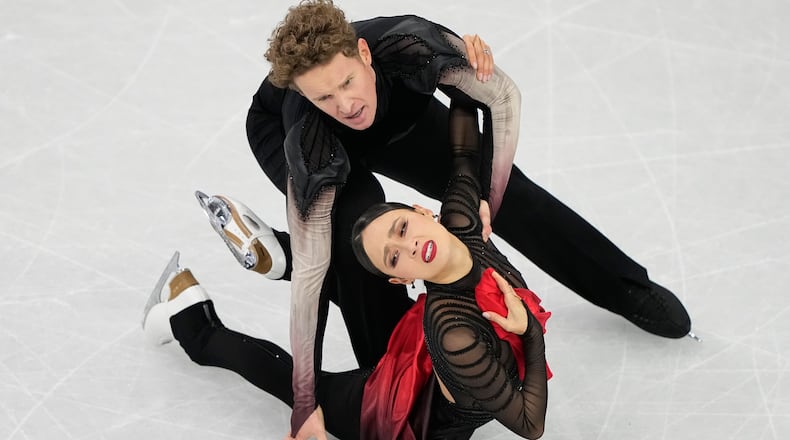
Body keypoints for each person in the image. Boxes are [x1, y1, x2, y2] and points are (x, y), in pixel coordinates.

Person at [226, 0, 692, 437]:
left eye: (347, 82)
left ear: (364, 53)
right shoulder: (306, 140)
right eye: (325, 96)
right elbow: (314, 279)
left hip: (401, 119)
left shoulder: (412, 46)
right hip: (291, 134)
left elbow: (503, 97)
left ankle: (627, 287)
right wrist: (305, 403)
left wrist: (489, 196)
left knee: (512, 199)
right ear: (305, 96)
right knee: (359, 232)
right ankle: (385, 357)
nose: (345, 104)